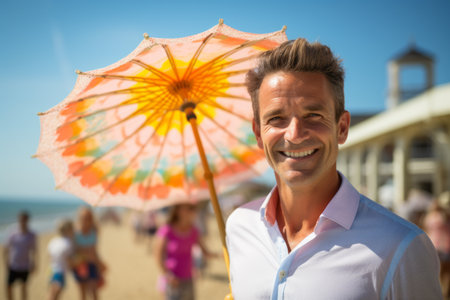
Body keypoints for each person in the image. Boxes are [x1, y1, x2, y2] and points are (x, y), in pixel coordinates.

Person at [225, 38, 442, 299]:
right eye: (276, 118)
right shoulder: (239, 227)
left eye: (313, 116)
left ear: (342, 127)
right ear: (258, 133)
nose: (294, 134)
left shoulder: (401, 247)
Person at [154, 204, 215, 300]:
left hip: (188, 278)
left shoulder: (194, 231)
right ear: (178, 210)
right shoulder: (166, 230)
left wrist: (222, 255)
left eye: (194, 208)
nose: (193, 211)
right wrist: (167, 275)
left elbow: (206, 253)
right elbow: (158, 256)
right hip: (172, 279)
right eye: (190, 208)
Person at [72, 207, 106, 300]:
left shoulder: (94, 231)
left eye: (88, 217)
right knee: (82, 293)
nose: (85, 219)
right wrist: (87, 252)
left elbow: (94, 251)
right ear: (79, 218)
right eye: (83, 217)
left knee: (94, 291)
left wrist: (99, 264)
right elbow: (74, 251)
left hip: (92, 264)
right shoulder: (75, 232)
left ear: (91, 218)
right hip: (80, 265)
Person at [3, 211, 37, 300]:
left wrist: (34, 263)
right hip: (13, 264)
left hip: (25, 266)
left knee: (24, 287)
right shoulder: (12, 232)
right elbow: (6, 247)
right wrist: (5, 260)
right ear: (19, 220)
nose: (23, 221)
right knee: (8, 286)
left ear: (27, 220)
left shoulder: (31, 235)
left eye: (25, 220)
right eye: (21, 220)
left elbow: (34, 250)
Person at [47, 219, 75, 300]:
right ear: (68, 230)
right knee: (55, 295)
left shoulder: (53, 241)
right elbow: (69, 259)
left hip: (51, 270)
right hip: (60, 272)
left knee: (51, 293)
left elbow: (49, 257)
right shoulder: (68, 243)